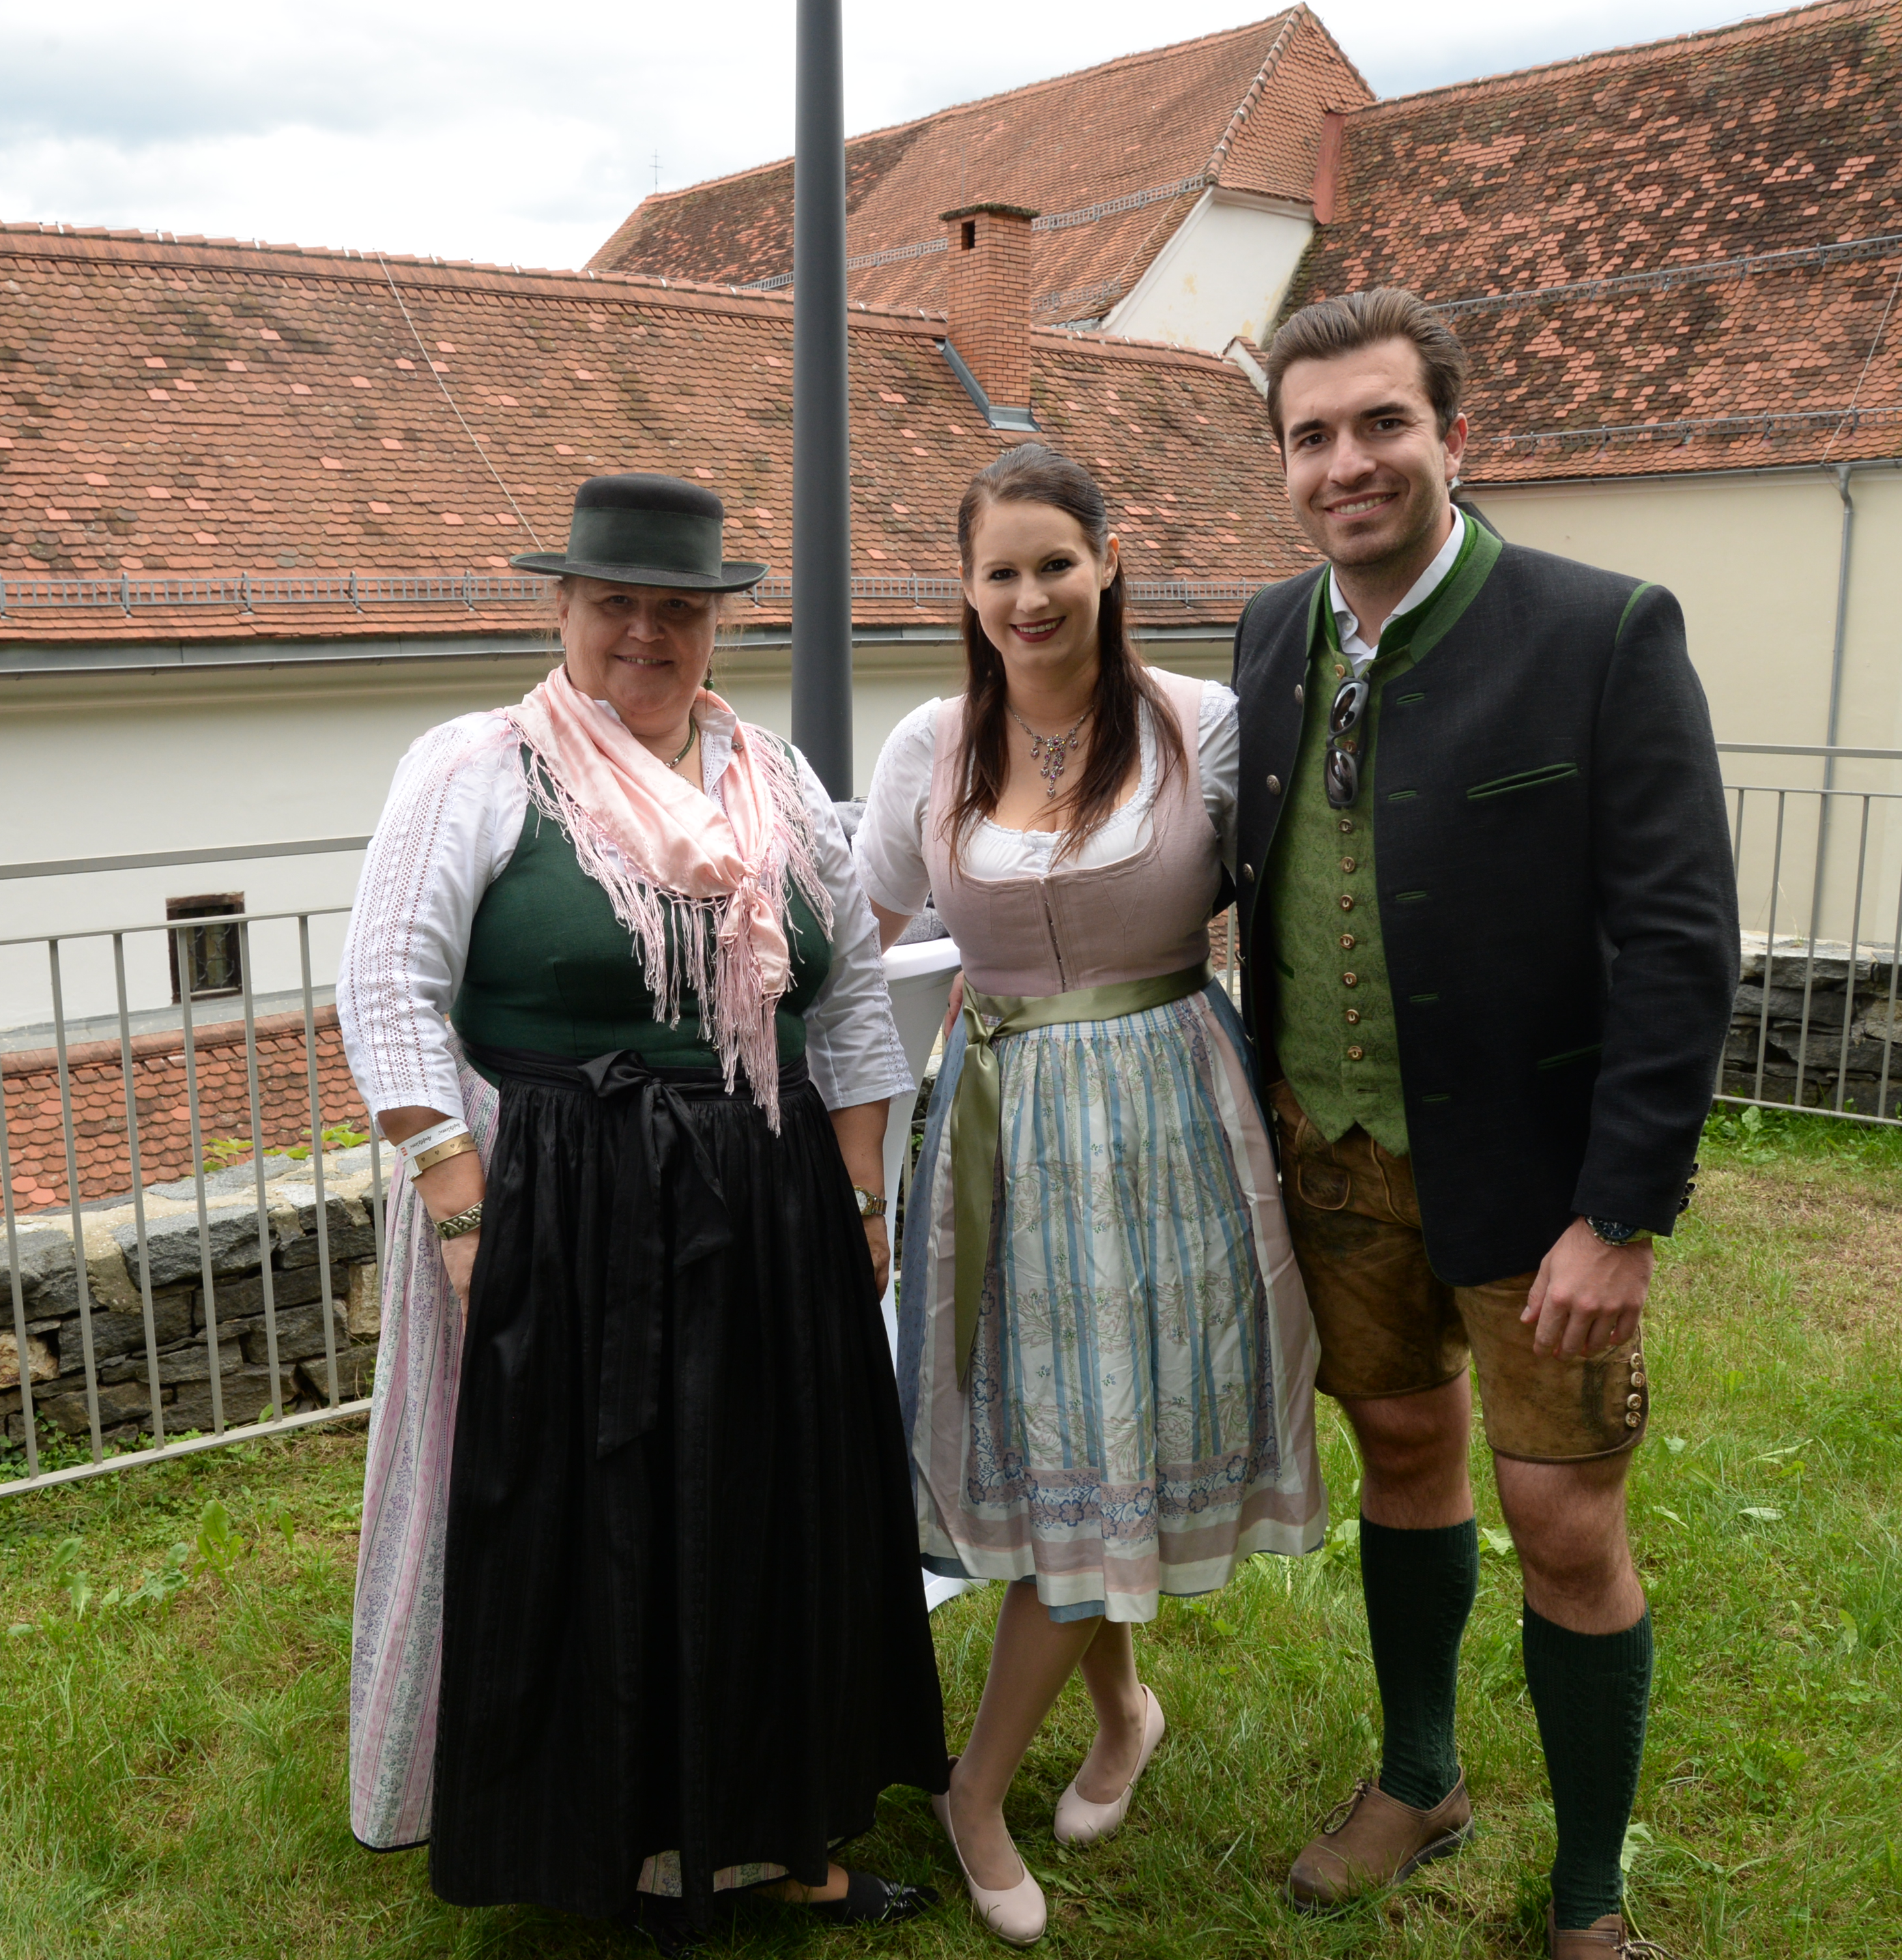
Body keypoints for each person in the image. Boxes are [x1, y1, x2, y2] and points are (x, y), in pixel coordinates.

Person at [335, 473, 949, 1950]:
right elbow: (387, 988)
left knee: (762, 1512)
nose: (646, 634)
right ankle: (603, 1836)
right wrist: (464, 1212)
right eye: (615, 602)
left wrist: (861, 1185)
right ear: (562, 608)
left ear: (717, 622)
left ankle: (774, 1834)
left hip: (766, 1195)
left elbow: (849, 999)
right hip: (564, 1201)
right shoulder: (479, 769)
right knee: (587, 1521)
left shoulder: (771, 777)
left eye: (679, 608)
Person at [1224, 289, 1736, 1960]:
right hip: (1336, 1158)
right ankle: (1421, 1776)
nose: (1348, 464)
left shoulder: (1603, 631)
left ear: (1454, 434)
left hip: (1540, 1184)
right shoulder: (1268, 634)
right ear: (1283, 462)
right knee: (1402, 1454)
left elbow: (1680, 945)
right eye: (1312, 436)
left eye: (1383, 424)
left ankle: (1589, 1897)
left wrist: (1623, 1212)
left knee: (1568, 1522)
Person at [857, 443, 1327, 1948]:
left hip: (1172, 1117)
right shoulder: (930, 747)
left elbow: (1304, 912)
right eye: (1000, 571)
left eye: (1055, 562)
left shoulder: (1203, 724)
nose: (1030, 596)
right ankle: (1080, 1734)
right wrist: (842, 1132)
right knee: (1058, 1440)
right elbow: (851, 948)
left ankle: (989, 1781)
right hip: (1000, 1129)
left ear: (1108, 562)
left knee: (1110, 1439)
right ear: (966, 589)